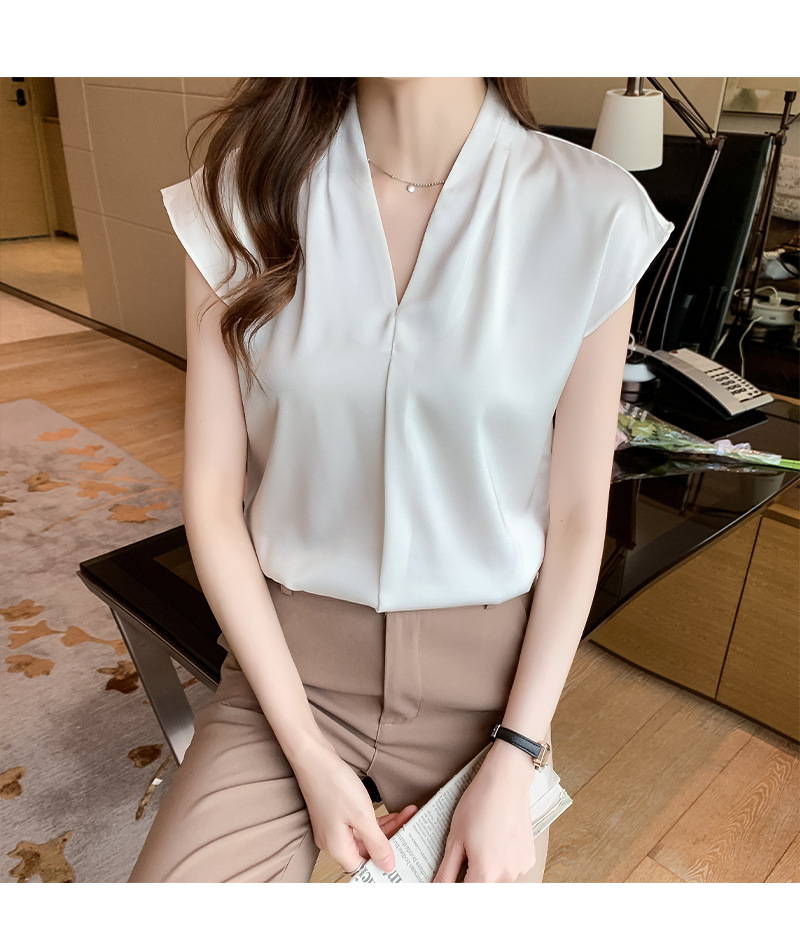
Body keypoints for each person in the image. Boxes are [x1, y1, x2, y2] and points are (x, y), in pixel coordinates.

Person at [129, 77, 673, 884]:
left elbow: (577, 514)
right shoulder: (240, 198)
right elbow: (211, 500)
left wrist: (518, 750)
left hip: (489, 698)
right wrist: (307, 752)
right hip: (290, 672)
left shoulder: (593, 211)